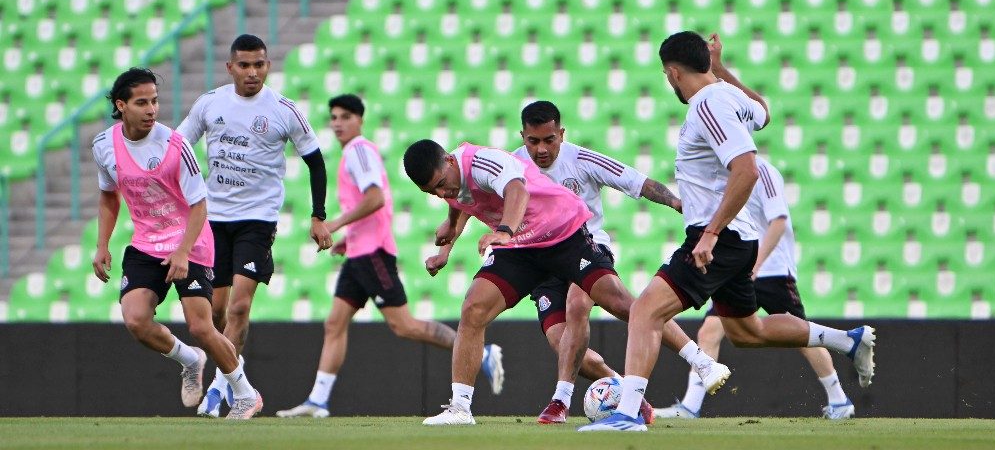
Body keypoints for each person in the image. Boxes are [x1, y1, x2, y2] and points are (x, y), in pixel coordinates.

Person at [580, 31, 875, 432]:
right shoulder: (728, 95)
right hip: (739, 238)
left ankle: (627, 415)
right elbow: (764, 112)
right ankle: (847, 341)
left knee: (646, 310)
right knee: (747, 331)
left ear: (672, 73)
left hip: (719, 236)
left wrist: (711, 233)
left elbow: (747, 169)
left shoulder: (707, 104)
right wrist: (721, 69)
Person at [402, 139, 728, 426]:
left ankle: (701, 361)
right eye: (432, 191)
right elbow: (460, 203)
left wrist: (503, 232)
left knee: (620, 302)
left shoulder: (482, 161)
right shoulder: (451, 179)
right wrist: (448, 242)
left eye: (441, 184)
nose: (441, 192)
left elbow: (516, 190)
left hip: (562, 232)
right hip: (522, 245)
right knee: (473, 308)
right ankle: (460, 408)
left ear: (448, 160)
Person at [276, 95, 504, 418]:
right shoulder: (351, 155)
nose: (338, 123)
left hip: (373, 254)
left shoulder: (358, 151)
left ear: (360, 120)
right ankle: (318, 401)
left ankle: (482, 354)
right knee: (334, 323)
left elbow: (376, 199)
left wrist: (334, 225)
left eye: (345, 116)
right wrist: (348, 240)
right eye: (334, 117)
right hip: (359, 252)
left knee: (405, 326)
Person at [91, 67, 262, 419]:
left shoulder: (175, 145)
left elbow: (199, 204)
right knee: (136, 319)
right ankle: (189, 359)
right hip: (145, 244)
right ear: (122, 105)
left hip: (191, 241)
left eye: (155, 101)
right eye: (142, 102)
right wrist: (102, 244)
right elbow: (109, 197)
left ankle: (246, 395)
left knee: (202, 326)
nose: (152, 109)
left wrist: (182, 251)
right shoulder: (104, 146)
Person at [177, 34, 333, 417]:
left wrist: (318, 215)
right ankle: (232, 380)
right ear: (230, 67)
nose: (252, 72)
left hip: (258, 220)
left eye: (259, 64)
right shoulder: (210, 104)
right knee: (216, 313)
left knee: (240, 308)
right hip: (214, 221)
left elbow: (315, 161)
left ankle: (219, 390)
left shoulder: (283, 110)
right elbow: (178, 148)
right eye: (244, 65)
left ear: (268, 65)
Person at [513, 100, 683, 424]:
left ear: (561, 134)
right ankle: (626, 391)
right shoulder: (513, 166)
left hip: (586, 248)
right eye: (533, 141)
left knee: (579, 304)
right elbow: (476, 193)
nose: (542, 149)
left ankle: (560, 402)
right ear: (523, 137)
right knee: (564, 346)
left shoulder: (582, 159)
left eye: (549, 139)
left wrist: (674, 200)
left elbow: (637, 181)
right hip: (543, 261)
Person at [654, 156, 856, 420]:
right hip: (739, 264)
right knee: (711, 330)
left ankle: (839, 400)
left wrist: (757, 265)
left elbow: (779, 221)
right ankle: (691, 406)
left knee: (800, 333)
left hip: (771, 269)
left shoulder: (763, 171)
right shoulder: (726, 173)